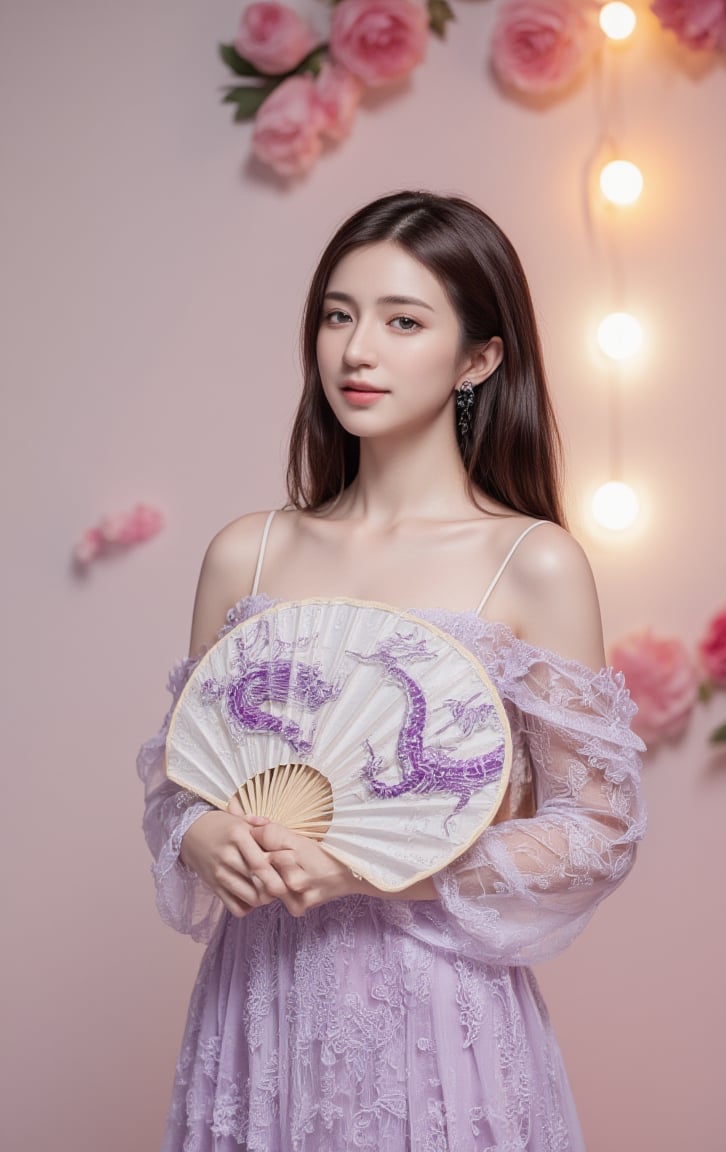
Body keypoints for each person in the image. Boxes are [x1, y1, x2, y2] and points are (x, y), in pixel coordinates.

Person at [138, 190, 646, 1151]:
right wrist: (199, 834)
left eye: (402, 320)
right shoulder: (245, 552)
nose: (355, 349)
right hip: (259, 1007)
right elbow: (183, 778)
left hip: (439, 1018)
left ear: (479, 358)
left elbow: (598, 829)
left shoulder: (529, 560)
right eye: (338, 314)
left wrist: (379, 865)